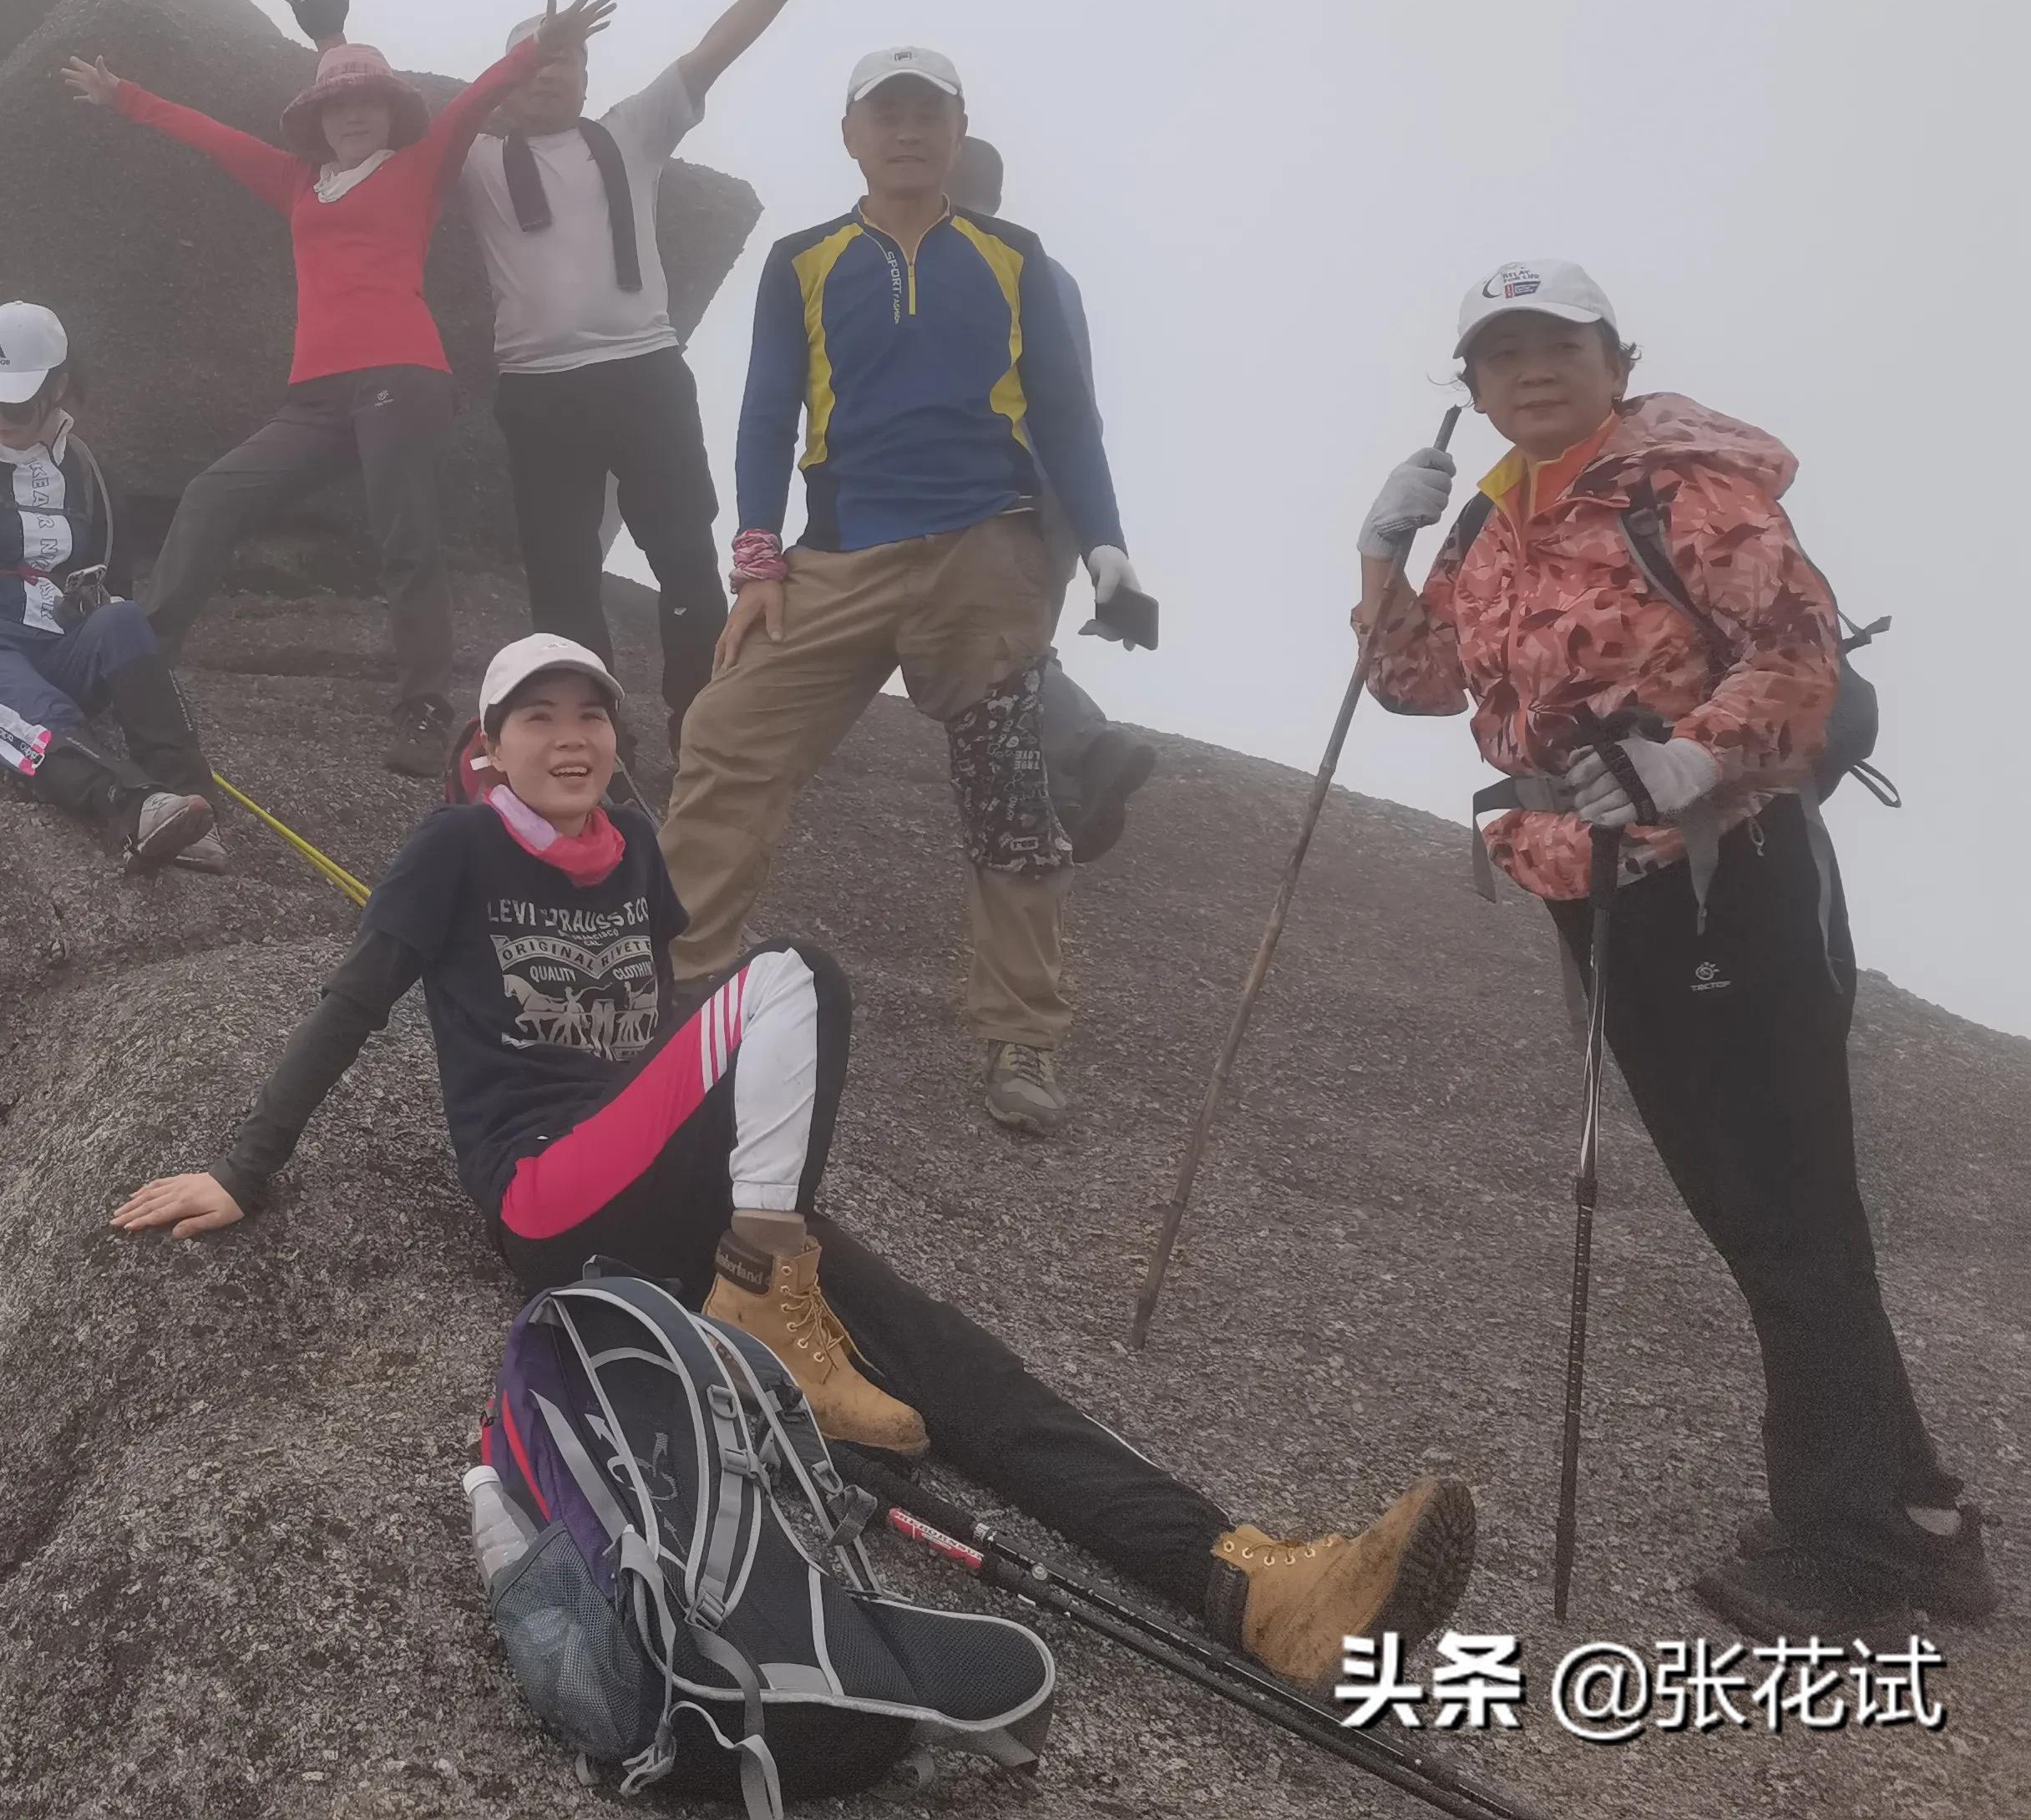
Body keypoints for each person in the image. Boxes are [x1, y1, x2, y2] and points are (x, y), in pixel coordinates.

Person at [109, 633, 1476, 1691]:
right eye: (537, 716)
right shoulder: (454, 846)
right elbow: (352, 1001)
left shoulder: (633, 851)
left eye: (591, 714)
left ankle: (1251, 1587)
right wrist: (244, 1169)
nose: (571, 737)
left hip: (668, 1191)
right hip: (543, 1191)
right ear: (490, 745)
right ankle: (768, 1290)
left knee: (955, 1363)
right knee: (792, 978)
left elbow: (647, 1035)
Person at [1354, 261, 1993, 1635]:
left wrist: (1690, 760)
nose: (1531, 370)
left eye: (1558, 344)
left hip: (1726, 874)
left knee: (1781, 1206)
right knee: (1761, 1205)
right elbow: (1414, 682)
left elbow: (1799, 658)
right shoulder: (1491, 519)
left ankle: (1848, 1550)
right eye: (1501, 354)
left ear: (1615, 358)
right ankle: (1919, 1516)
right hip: (1595, 887)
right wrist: (1379, 558)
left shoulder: (1686, 491)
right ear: (1472, 388)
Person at [657, 48, 1140, 1139]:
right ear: (852, 135)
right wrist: (757, 556)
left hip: (985, 553)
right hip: (840, 554)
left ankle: (1022, 1032)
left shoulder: (1015, 258)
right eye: (888, 114)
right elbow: (767, 410)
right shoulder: (803, 260)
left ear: (958, 133)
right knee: (727, 734)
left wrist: (1107, 542)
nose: (909, 132)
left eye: (929, 114)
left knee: (1009, 791)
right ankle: (675, 982)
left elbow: (1067, 412)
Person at [275, 0, 868, 738]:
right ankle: (594, 738)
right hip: (539, 389)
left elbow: (710, 55)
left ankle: (698, 722)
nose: (549, 75)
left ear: (588, 76)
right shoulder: (475, 160)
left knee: (684, 556)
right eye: (534, 62)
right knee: (560, 576)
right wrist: (330, 38)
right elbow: (365, 111)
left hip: (645, 371)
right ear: (508, 76)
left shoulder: (631, 132)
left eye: (568, 61)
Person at [62, 0, 615, 773]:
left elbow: (479, 98)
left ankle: (423, 707)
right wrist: (125, 97)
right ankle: (141, 652)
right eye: (338, 105)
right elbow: (214, 137)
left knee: (405, 538)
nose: (353, 116)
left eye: (368, 103)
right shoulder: (298, 181)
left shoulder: (420, 164)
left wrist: (541, 46)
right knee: (215, 494)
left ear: (392, 113)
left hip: (401, 376)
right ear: (319, 120)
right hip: (317, 397)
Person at [0, 301, 225, 870]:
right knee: (38, 710)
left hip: (61, 639)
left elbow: (112, 592)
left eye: (17, 403)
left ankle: (194, 805)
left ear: (58, 388)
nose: (0, 418)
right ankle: (136, 808)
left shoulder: (93, 477)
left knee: (123, 621)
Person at [949, 134, 1157, 866]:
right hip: (1063, 493)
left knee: (977, 645)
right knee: (1016, 641)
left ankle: (1086, 747)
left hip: (999, 491)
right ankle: (1066, 801)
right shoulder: (1051, 271)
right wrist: (1101, 531)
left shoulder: (956, 259)